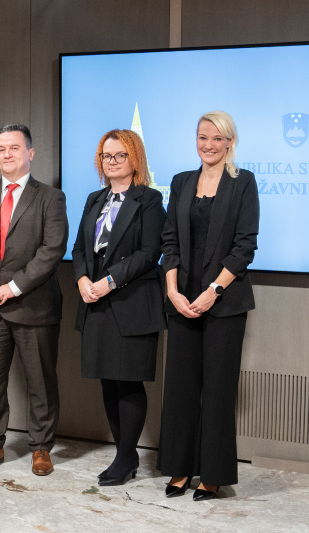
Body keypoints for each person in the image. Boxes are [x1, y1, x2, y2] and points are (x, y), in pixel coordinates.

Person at [157, 111, 259, 501]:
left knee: (217, 390)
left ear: (230, 142)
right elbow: (169, 242)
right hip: (181, 299)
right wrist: (172, 291)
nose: (208, 145)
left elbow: (245, 246)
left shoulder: (243, 182)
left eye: (217, 139)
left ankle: (213, 474)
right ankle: (180, 469)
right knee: (181, 388)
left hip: (224, 301)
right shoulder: (182, 182)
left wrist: (213, 290)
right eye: (202, 137)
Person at [0, 124, 68, 476]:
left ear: (30, 153)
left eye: (14, 148)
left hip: (33, 305)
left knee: (41, 384)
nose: (7, 154)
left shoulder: (50, 197)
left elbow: (53, 250)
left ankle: (40, 449)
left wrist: (14, 287)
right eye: (1, 148)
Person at [72, 129, 166, 486]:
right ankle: (123, 453)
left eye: (119, 156)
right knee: (108, 383)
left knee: (128, 383)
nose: (111, 162)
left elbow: (148, 253)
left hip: (130, 302)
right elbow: (80, 248)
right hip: (94, 302)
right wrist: (82, 280)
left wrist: (108, 282)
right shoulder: (95, 198)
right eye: (106, 156)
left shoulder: (150, 200)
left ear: (134, 159)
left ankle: (126, 458)